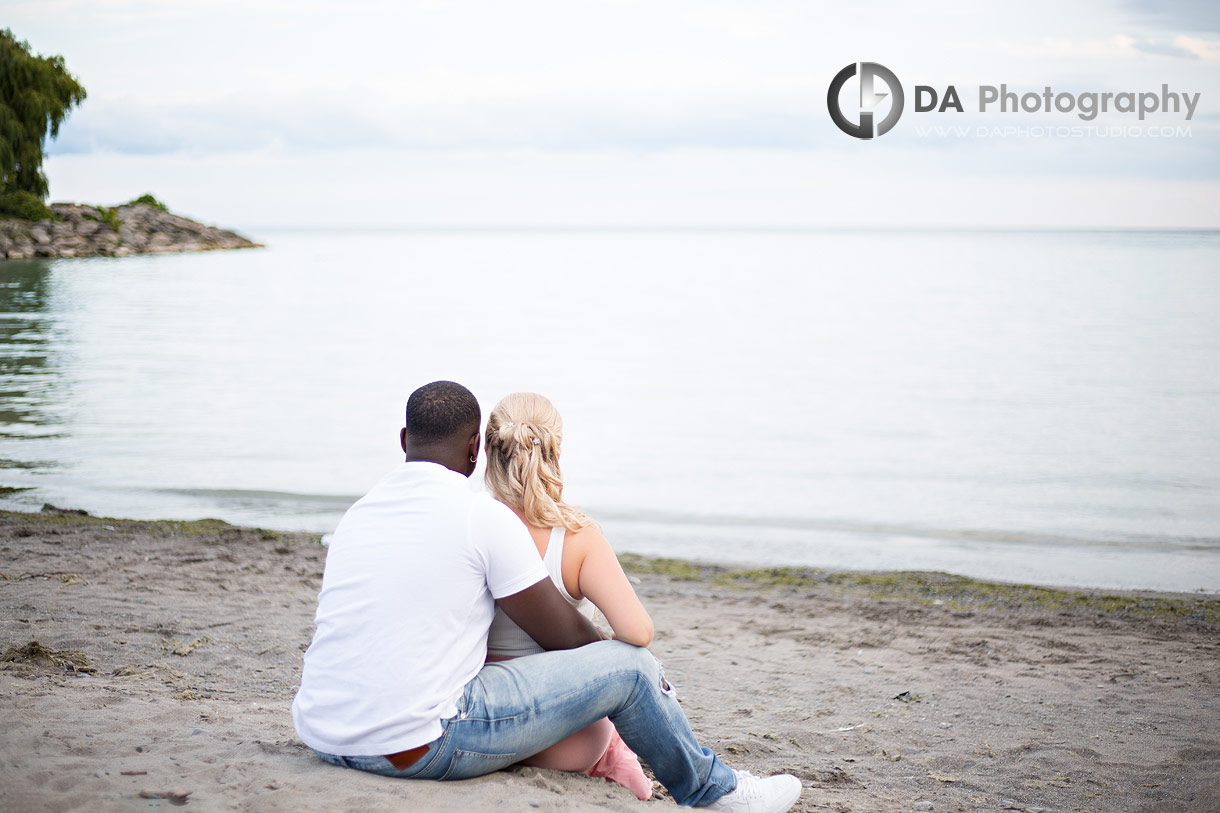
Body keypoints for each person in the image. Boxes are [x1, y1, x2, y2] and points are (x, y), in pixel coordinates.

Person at [292, 381, 802, 812]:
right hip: (412, 747)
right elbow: (563, 634)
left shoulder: (359, 515)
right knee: (630, 667)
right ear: (475, 449)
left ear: (404, 438)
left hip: (326, 734)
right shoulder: (477, 517)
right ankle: (719, 792)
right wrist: (609, 662)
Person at [482, 392, 653, 800]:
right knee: (631, 668)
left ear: (488, 451)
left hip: (481, 724)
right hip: (569, 742)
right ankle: (618, 757)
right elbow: (638, 632)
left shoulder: (472, 527)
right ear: (556, 449)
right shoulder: (577, 537)